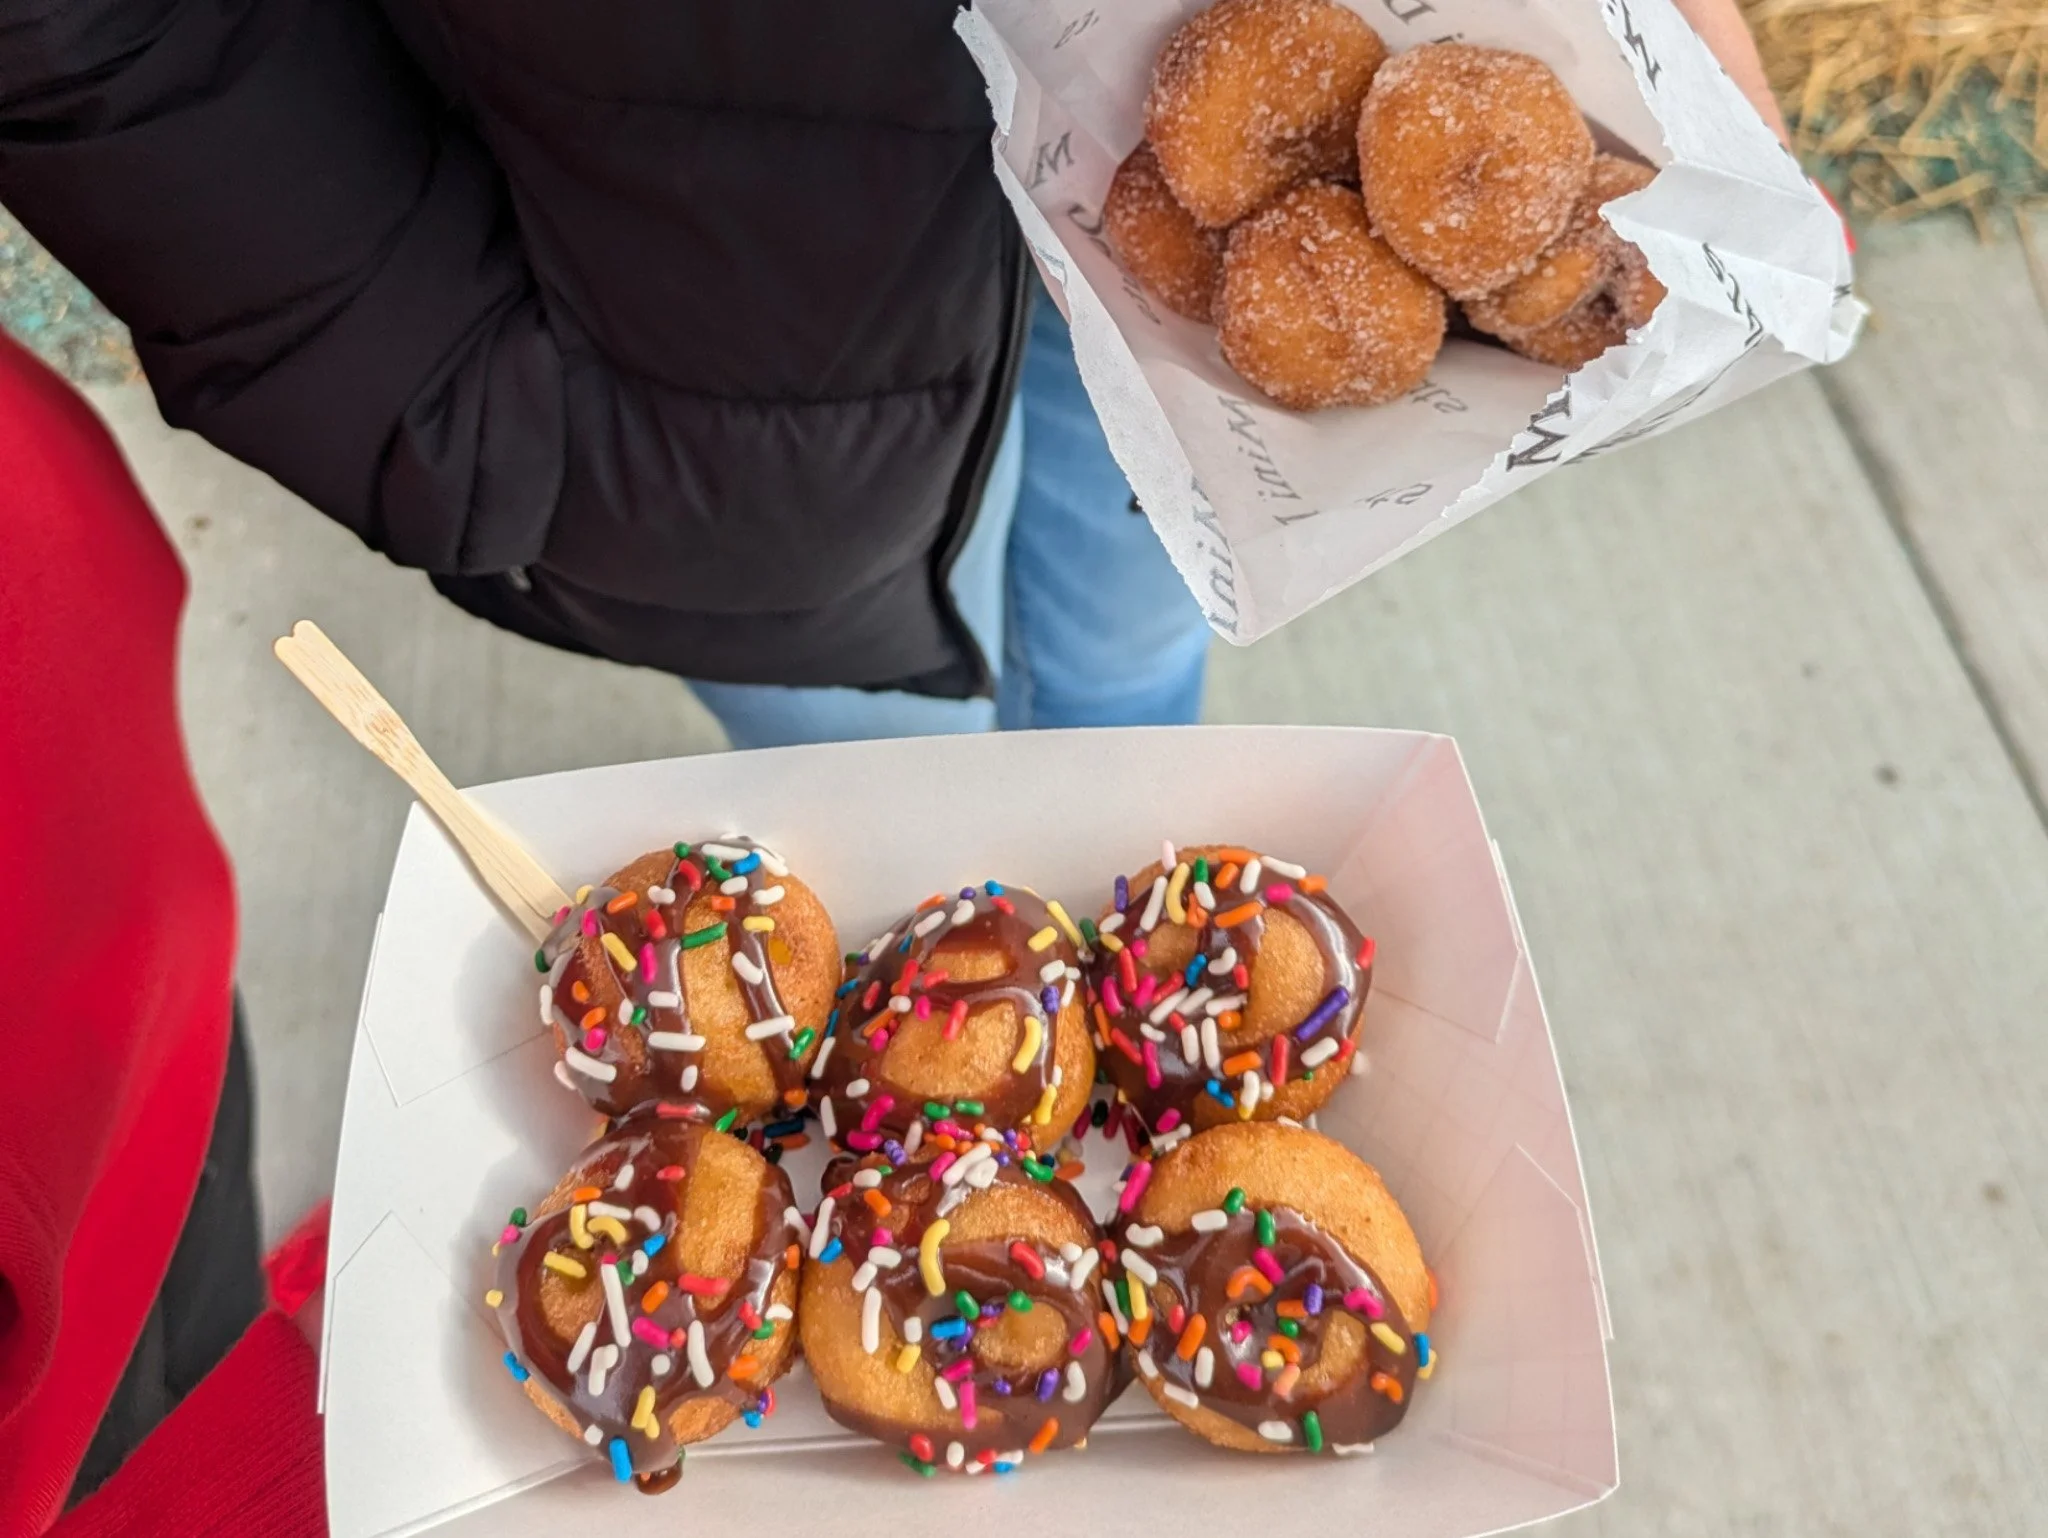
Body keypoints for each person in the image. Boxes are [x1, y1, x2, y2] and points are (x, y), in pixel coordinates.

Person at [0, 0, 1793, 753]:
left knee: (1125, 688)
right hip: (689, 400)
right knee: (914, 866)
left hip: (1199, 245)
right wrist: (444, 394)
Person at [0, 333, 325, 1535]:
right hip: (62, 1412)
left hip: (153, 1018)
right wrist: (294, 1433)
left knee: (208, 1270)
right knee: (150, 1400)